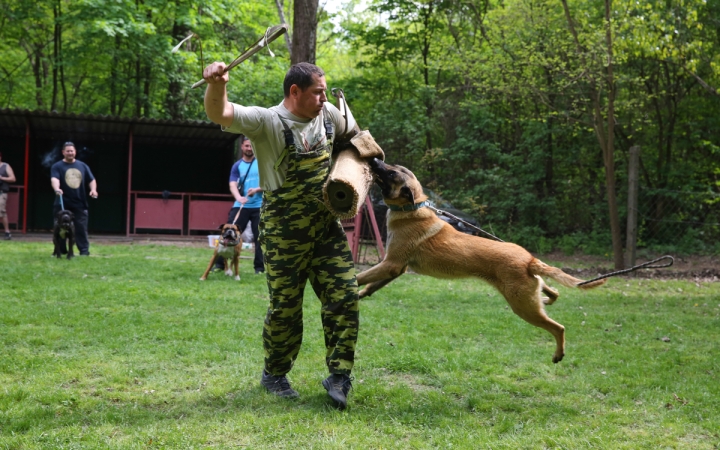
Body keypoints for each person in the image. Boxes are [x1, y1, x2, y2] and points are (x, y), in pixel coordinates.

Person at [203, 61, 360, 409]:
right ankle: (274, 374)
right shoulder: (267, 121)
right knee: (286, 308)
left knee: (345, 295)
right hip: (282, 230)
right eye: (317, 92)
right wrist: (217, 84)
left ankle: (339, 375)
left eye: (324, 92)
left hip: (325, 227)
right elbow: (222, 112)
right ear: (295, 92)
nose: (323, 98)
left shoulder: (328, 114)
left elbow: (356, 141)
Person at [214, 137, 264, 274]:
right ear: (242, 147)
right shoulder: (237, 166)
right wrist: (238, 197)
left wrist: (257, 190)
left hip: (259, 205)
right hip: (241, 204)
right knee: (227, 232)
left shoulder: (261, 163)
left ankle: (259, 268)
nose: (249, 148)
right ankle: (219, 264)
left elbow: (269, 182)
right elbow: (232, 184)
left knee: (260, 236)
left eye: (251, 146)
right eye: (247, 146)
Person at [50, 142, 98, 256]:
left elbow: (92, 180)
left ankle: (84, 251)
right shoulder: (57, 166)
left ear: (75, 152)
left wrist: (93, 190)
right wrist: (57, 189)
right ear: (63, 152)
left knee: (81, 228)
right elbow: (54, 179)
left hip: (79, 202)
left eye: (72, 151)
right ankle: (61, 250)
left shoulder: (83, 166)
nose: (70, 153)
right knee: (60, 228)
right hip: (62, 202)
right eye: (68, 151)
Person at [0, 152, 17, 240]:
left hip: (1, 192)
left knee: (1, 212)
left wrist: (1, 178)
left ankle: (7, 232)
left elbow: (13, 178)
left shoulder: (6, 166)